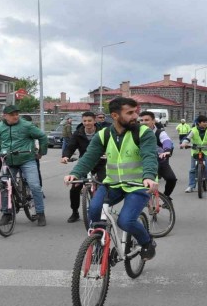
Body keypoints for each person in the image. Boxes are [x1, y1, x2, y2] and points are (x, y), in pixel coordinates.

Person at [64, 97, 158, 260]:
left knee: (126, 221)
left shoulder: (144, 132)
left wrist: (148, 176)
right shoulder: (104, 135)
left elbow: (149, 155)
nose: (135, 116)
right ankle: (99, 245)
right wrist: (76, 173)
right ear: (115, 116)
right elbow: (89, 157)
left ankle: (147, 242)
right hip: (112, 184)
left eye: (135, 111)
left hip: (137, 185)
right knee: (93, 210)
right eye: (129, 113)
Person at [0, 105, 48, 226]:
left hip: (27, 159)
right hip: (9, 161)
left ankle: (40, 213)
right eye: (12, 115)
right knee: (4, 185)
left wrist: (41, 152)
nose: (15, 116)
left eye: (17, 114)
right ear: (5, 116)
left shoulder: (26, 125)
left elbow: (42, 136)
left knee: (34, 185)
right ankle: (7, 213)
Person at [61, 111, 107, 223]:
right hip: (85, 163)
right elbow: (70, 146)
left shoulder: (103, 132)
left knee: (105, 185)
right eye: (85, 121)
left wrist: (108, 154)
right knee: (74, 187)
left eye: (89, 121)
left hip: (101, 162)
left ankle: (104, 212)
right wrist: (66, 156)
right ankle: (75, 212)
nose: (87, 123)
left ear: (94, 120)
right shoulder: (78, 133)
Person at [140, 111, 177, 198]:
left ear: (153, 121)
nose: (144, 122)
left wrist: (167, 150)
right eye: (141, 120)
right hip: (143, 161)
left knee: (171, 179)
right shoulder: (137, 132)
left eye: (147, 120)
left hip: (159, 160)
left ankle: (166, 197)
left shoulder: (159, 132)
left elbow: (166, 141)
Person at [181, 115, 207, 192]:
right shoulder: (193, 130)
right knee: (192, 169)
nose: (205, 123)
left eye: (206, 122)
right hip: (196, 150)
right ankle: (191, 186)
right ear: (199, 123)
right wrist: (184, 143)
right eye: (203, 122)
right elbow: (187, 138)